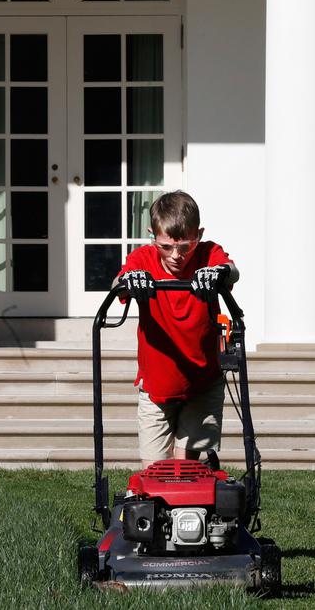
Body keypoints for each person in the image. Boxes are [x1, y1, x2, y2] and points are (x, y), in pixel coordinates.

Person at [113, 190, 239, 468]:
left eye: (185, 247)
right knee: (154, 472)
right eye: (166, 247)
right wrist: (131, 280)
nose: (176, 256)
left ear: (199, 234)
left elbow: (232, 270)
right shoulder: (143, 259)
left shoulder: (208, 254)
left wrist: (218, 273)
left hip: (202, 383)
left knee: (186, 470)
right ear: (152, 236)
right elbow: (117, 283)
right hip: (157, 387)